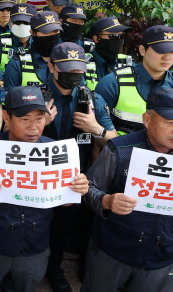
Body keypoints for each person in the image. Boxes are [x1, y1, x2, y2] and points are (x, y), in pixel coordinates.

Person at [0, 86, 89, 291]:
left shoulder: (55, 151)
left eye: (39, 119)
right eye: (25, 119)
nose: (34, 127)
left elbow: (66, 202)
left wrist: (76, 189)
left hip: (35, 247)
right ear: (7, 119)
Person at [82, 87, 173, 292]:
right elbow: (89, 187)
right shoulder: (120, 150)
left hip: (161, 256)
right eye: (170, 122)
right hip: (112, 251)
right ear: (147, 120)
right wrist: (107, 201)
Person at [43, 42, 117, 291]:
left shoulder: (92, 98)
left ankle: (54, 270)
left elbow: (116, 140)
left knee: (62, 228)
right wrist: (38, 123)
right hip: (37, 173)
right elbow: (8, 135)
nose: (74, 75)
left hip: (74, 178)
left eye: (78, 69)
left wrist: (95, 127)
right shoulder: (36, 95)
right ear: (51, 66)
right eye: (66, 68)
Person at [95, 25, 173, 135]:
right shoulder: (113, 83)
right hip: (121, 150)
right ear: (142, 50)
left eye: (172, 51)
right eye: (160, 51)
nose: (167, 57)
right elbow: (97, 136)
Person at [4, 12, 63, 92]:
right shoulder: (17, 64)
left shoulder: (70, 61)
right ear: (32, 33)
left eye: (55, 31)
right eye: (46, 31)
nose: (51, 35)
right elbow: (9, 100)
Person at [0, 3, 35, 72]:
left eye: (26, 22)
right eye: (18, 22)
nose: (22, 25)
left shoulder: (41, 45)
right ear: (10, 22)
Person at [86, 16, 133, 82]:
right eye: (113, 36)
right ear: (96, 39)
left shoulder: (128, 64)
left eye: (121, 36)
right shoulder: (84, 64)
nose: (118, 40)